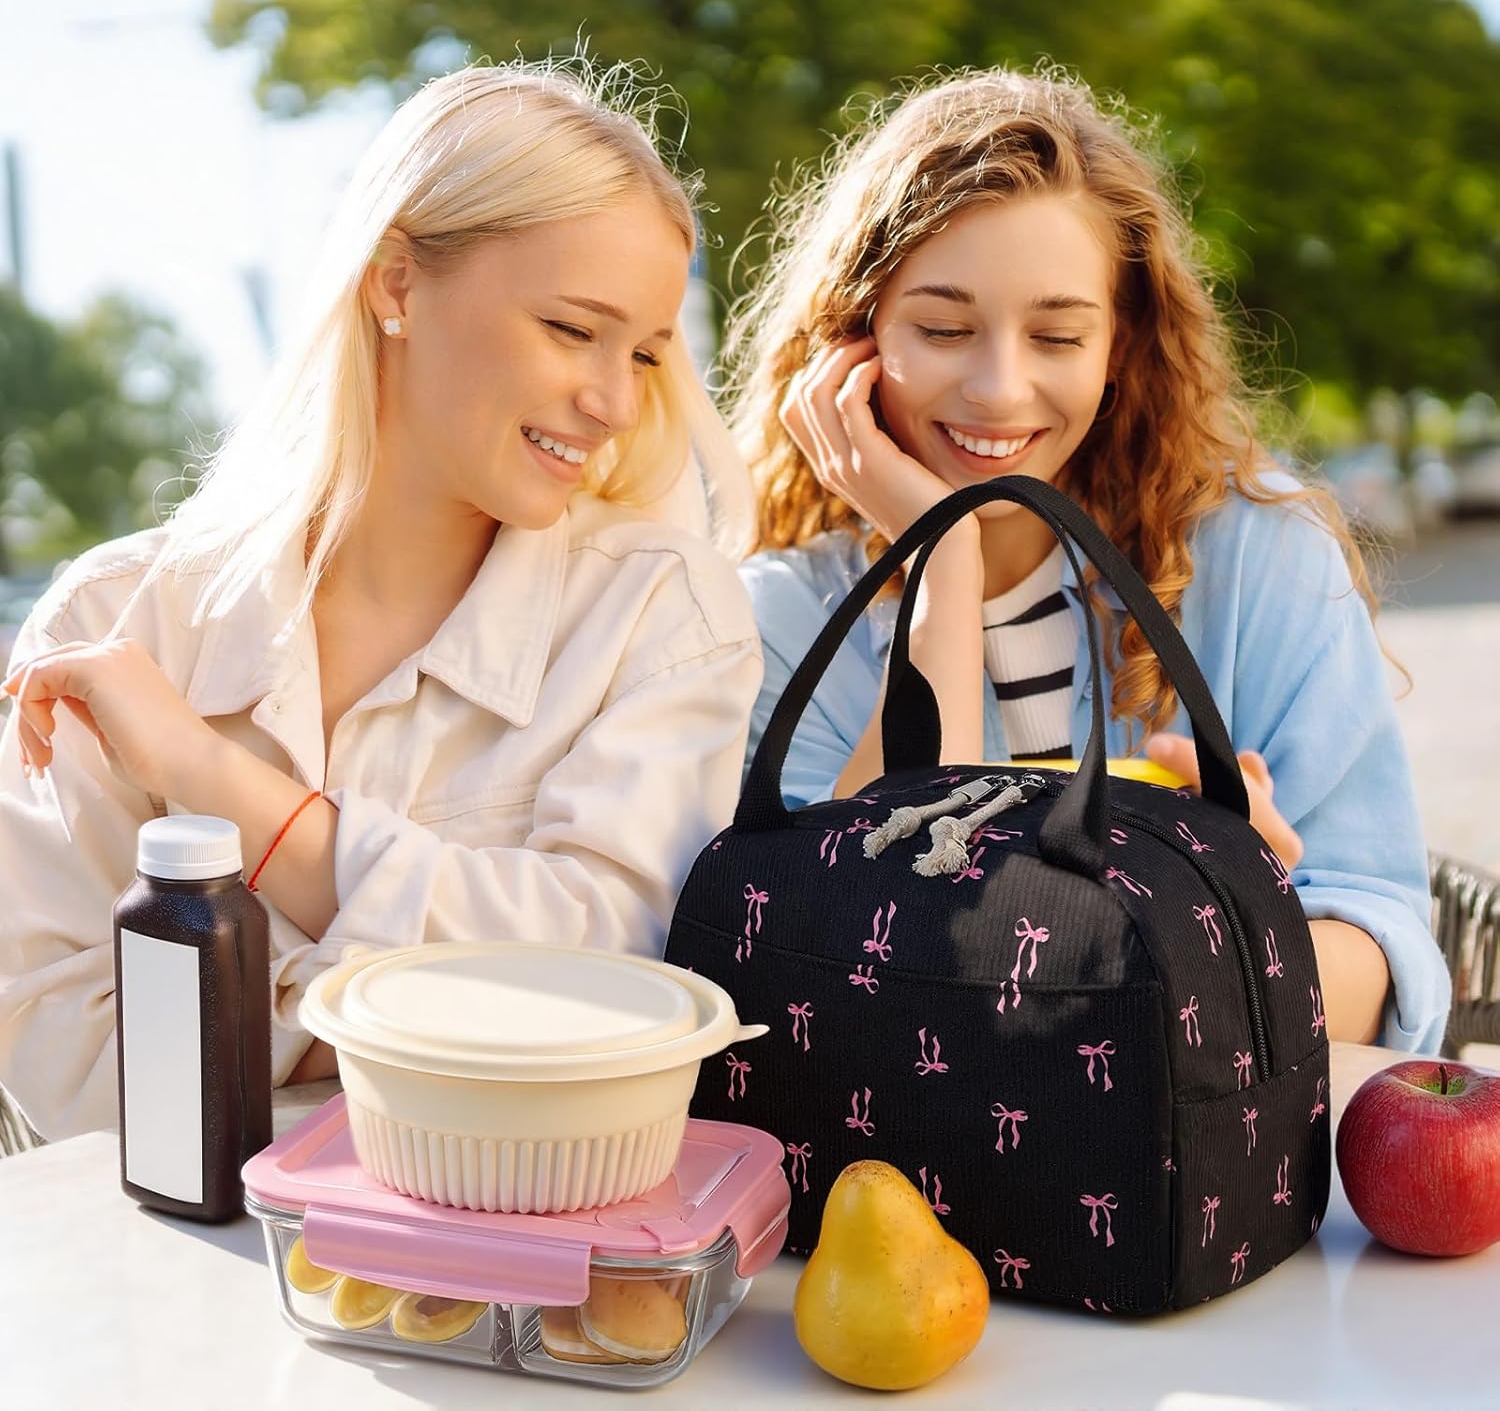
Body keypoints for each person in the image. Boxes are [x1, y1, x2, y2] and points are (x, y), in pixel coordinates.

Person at [0, 61, 763, 1141]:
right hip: (169, 1291)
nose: (615, 401)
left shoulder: (662, 615)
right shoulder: (113, 620)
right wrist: (438, 1009)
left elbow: (611, 994)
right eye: (571, 329)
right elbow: (57, 1063)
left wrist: (214, 782)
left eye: (643, 351)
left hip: (508, 1293)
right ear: (397, 283)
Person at [725, 67, 1448, 1053]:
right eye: (942, 329)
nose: (999, 388)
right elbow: (848, 959)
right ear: (852, 340)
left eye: (1058, 334)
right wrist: (946, 566)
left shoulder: (1259, 562)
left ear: (1122, 347)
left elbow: (1381, 934)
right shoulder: (776, 619)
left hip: (1184, 1168)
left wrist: (1234, 912)